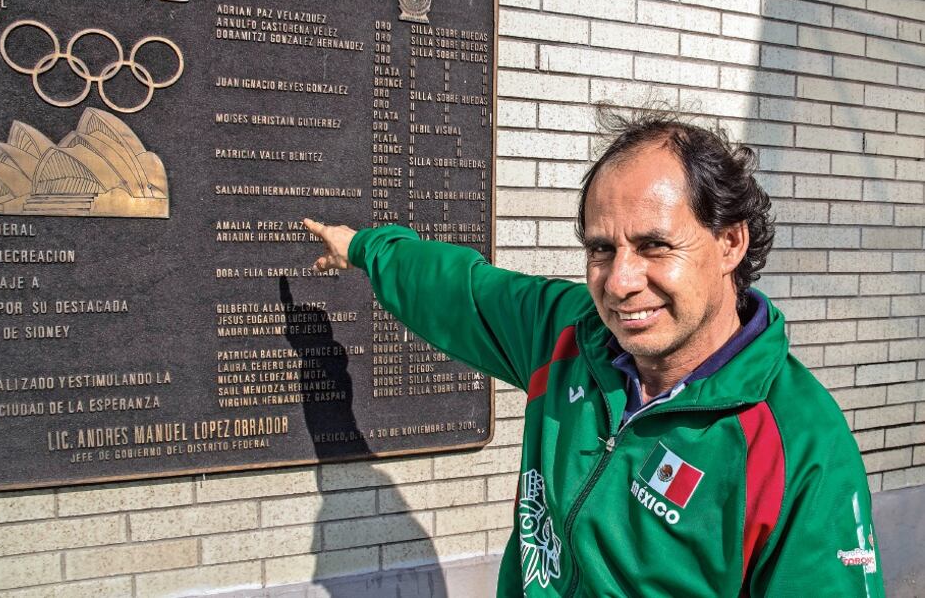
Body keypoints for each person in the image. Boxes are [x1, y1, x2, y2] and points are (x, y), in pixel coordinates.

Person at [302, 107, 884, 597]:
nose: (619, 281)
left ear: (730, 241)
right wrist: (363, 247)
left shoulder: (801, 446)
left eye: (654, 246)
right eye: (602, 249)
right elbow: (457, 289)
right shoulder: (568, 334)